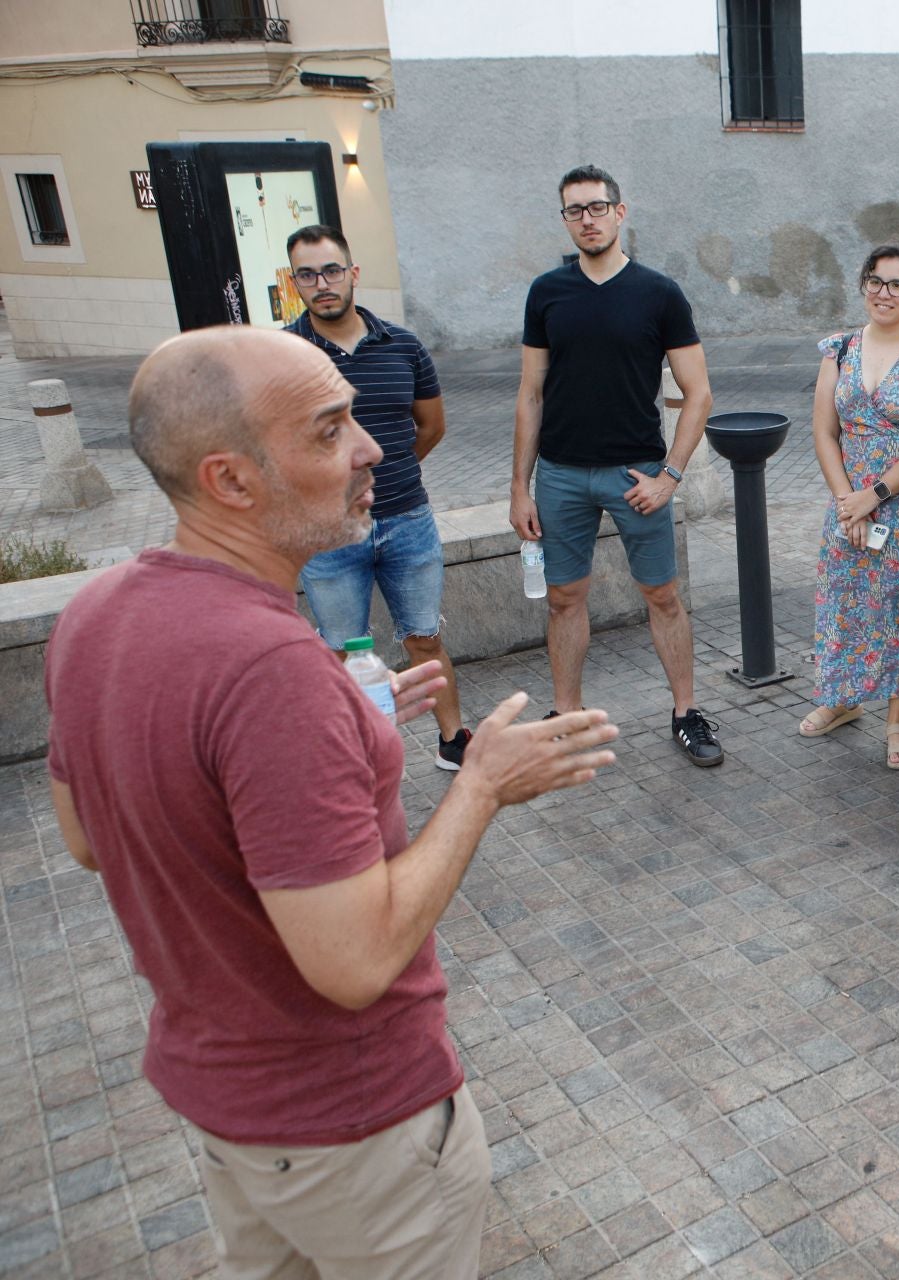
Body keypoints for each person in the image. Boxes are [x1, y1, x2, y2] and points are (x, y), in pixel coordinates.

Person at [42, 326, 619, 1274]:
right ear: (231, 480)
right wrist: (480, 784)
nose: (373, 449)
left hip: (231, 1113)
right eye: (328, 430)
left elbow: (85, 839)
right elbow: (354, 962)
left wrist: (331, 732)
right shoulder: (272, 671)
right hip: (357, 1131)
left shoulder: (97, 613)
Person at [509, 163, 722, 766]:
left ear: (620, 212)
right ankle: (568, 717)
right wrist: (519, 488)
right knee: (562, 598)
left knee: (662, 596)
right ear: (565, 219)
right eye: (575, 210)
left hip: (637, 477)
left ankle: (686, 713)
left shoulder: (659, 292)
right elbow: (529, 395)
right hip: (560, 474)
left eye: (597, 207)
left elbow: (698, 393)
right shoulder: (547, 292)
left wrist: (670, 476)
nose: (587, 219)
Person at [284, 223, 472, 771]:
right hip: (327, 533)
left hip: (407, 522)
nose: (322, 282)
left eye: (332, 270)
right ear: (294, 282)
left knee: (424, 639)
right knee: (342, 653)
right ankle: (357, 757)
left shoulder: (404, 346)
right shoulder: (284, 354)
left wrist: (378, 479)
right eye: (308, 273)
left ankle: (453, 740)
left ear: (353, 274)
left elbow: (430, 427)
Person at [801, 241, 899, 768]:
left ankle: (897, 719)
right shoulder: (840, 350)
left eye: (897, 284)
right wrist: (849, 501)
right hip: (851, 501)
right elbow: (825, 432)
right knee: (847, 601)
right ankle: (843, 701)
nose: (883, 292)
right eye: (875, 280)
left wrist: (876, 495)